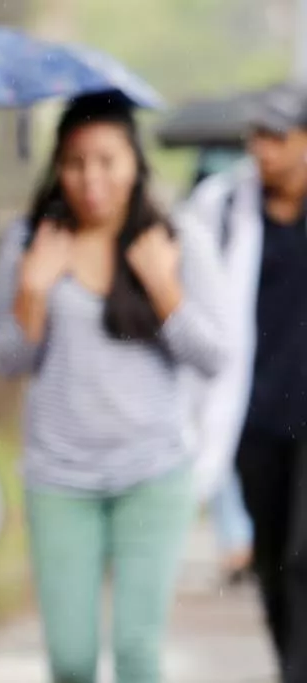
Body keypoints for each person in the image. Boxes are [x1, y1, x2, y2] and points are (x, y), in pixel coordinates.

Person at [0, 92, 227, 683]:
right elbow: (8, 360)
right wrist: (34, 290)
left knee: (138, 655)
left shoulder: (175, 238)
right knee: (71, 661)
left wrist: (164, 288)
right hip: (60, 479)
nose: (90, 178)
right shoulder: (29, 243)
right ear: (57, 168)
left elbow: (215, 355)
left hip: (153, 473)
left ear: (134, 164)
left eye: (106, 160)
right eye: (75, 162)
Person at [178, 82, 307, 683]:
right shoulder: (222, 209)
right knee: (275, 562)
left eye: (278, 137)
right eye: (257, 136)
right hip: (253, 417)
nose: (264, 150)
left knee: (305, 557)